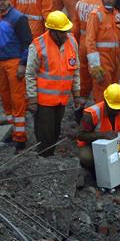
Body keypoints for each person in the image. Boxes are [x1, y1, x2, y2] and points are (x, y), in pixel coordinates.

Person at [25, 10, 79, 156]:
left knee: (55, 130)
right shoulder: (38, 46)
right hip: (44, 102)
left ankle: (50, 156)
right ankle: (44, 157)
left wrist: (77, 93)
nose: (65, 34)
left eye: (66, 31)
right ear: (52, 31)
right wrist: (32, 99)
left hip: (61, 100)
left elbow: (75, 70)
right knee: (45, 133)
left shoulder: (72, 42)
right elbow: (30, 74)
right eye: (62, 32)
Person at [0, 0, 33, 149]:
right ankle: (11, 130)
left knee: (18, 101)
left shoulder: (18, 18)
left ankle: (20, 138)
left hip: (15, 62)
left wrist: (23, 64)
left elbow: (27, 43)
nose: (1, 2)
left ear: (9, 0)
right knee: (5, 98)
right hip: (1, 62)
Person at [77, 83, 120, 172]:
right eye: (113, 108)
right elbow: (81, 135)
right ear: (105, 101)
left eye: (118, 108)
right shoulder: (92, 114)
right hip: (93, 145)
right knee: (86, 157)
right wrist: (102, 135)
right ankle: (97, 171)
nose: (116, 110)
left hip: (117, 143)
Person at [73, 0, 110, 107]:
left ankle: (80, 106)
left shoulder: (80, 4)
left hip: (82, 45)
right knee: (99, 80)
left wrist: (75, 48)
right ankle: (98, 108)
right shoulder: (105, 7)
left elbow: (75, 30)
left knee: (83, 77)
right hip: (96, 48)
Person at [83, 0, 120, 103]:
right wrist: (95, 66)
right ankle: (101, 120)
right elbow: (90, 41)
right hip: (102, 61)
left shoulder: (117, 16)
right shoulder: (96, 15)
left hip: (115, 60)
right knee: (102, 95)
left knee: (115, 93)